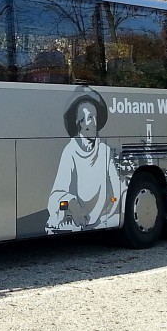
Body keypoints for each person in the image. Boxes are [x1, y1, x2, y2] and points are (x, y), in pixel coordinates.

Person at [46, 86, 123, 232]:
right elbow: (56, 194)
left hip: (103, 218)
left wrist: (110, 208)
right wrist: (72, 204)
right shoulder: (70, 152)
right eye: (88, 118)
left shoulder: (104, 150)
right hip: (76, 221)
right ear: (78, 123)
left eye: (95, 117)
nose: (93, 123)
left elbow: (117, 187)